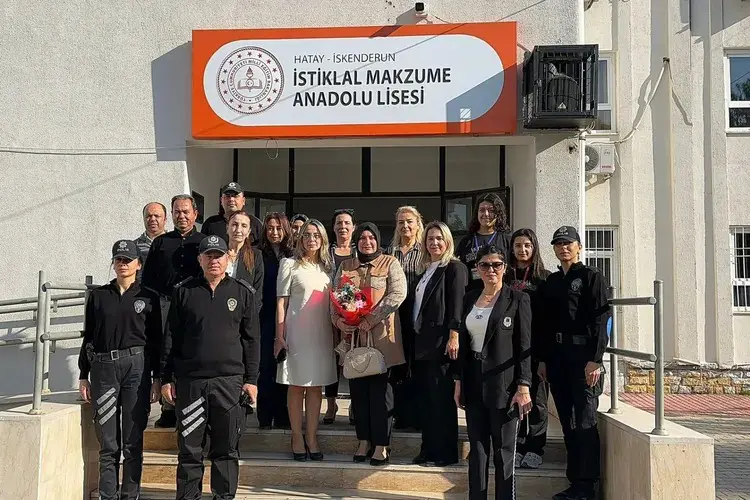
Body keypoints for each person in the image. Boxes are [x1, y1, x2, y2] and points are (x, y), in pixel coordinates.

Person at [160, 235, 260, 500]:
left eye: (219, 255)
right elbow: (171, 338)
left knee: (226, 449)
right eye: (208, 255)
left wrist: (251, 380)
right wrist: (166, 377)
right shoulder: (184, 292)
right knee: (190, 449)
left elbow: (251, 340)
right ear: (199, 259)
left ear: (228, 259)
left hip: (229, 383)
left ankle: (223, 496)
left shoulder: (242, 292)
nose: (214, 260)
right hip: (191, 383)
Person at [77, 240, 162, 500]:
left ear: (138, 264)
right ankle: (108, 495)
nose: (123, 264)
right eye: (118, 260)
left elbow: (156, 340)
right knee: (108, 442)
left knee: (132, 440)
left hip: (137, 368)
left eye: (128, 260)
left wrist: (157, 377)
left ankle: (130, 494)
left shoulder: (148, 297)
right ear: (113, 264)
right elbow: (89, 336)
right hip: (104, 369)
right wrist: (83, 374)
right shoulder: (99, 296)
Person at [454, 245, 532, 500]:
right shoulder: (469, 298)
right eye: (485, 265)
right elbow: (464, 344)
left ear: (505, 268)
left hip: (504, 384)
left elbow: (524, 346)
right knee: (477, 450)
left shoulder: (518, 299)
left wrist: (523, 385)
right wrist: (458, 381)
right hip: (474, 380)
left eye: (496, 265)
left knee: (504, 452)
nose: (491, 270)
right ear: (477, 269)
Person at [539, 226, 609, 500]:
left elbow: (602, 320)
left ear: (579, 246)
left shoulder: (591, 276)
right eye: (558, 244)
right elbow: (545, 324)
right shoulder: (553, 281)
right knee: (568, 423)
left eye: (568, 243)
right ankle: (575, 483)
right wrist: (543, 360)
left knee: (585, 422)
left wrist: (595, 360)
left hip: (583, 359)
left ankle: (587, 485)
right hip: (558, 359)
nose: (563, 247)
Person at [331, 223, 407, 466]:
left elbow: (398, 294)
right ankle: (363, 440)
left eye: (371, 237)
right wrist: (341, 321)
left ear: (378, 240)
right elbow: (335, 297)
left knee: (381, 394)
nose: (367, 242)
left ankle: (382, 445)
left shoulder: (390, 263)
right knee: (359, 394)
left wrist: (371, 319)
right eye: (362, 238)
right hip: (355, 339)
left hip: (382, 338)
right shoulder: (346, 266)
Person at [273, 218, 337, 461]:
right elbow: (282, 303)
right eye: (308, 234)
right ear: (300, 238)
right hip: (296, 332)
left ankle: (312, 436)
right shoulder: (289, 264)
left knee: (315, 386)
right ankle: (297, 436)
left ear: (323, 240)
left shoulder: (327, 268)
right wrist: (279, 337)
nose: (312, 239)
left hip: (321, 334)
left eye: (316, 235)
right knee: (296, 385)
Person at [142, 194, 205, 428]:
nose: (182, 216)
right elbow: (148, 279)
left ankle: (191, 405)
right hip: (166, 305)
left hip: (195, 306)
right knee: (166, 353)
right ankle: (168, 407)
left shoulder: (203, 241)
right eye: (177, 212)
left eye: (186, 211)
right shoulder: (160, 243)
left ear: (195, 214)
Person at [411, 221, 467, 466]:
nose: (434, 243)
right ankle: (428, 449)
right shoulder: (425, 271)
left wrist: (454, 335)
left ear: (447, 241)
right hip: (422, 343)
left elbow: (457, 304)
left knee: (442, 400)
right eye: (430, 239)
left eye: (438, 238)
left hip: (441, 343)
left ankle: (445, 453)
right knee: (426, 400)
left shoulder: (454, 268)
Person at [507, 228, 552, 470]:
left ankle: (535, 447)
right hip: (508, 348)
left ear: (534, 248)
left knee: (537, 400)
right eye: (517, 245)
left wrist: (544, 357)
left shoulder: (544, 279)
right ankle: (517, 445)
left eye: (527, 245)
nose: (522, 250)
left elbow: (548, 321)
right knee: (511, 398)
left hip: (536, 348)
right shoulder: (504, 274)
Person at [385, 206, 425, 431]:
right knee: (398, 365)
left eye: (409, 221)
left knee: (416, 365)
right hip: (395, 315)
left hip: (419, 314)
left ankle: (416, 415)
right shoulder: (389, 252)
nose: (405, 226)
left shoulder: (426, 250)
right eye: (401, 222)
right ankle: (399, 414)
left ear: (418, 223)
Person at [256, 213, 294, 430]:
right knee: (265, 366)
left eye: (279, 228)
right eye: (270, 228)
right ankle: (264, 416)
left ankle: (282, 415)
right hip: (264, 315)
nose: (274, 232)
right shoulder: (257, 253)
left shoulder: (293, 254)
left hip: (289, 316)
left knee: (285, 366)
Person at [324, 208, 357, 425]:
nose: (342, 227)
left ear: (353, 227)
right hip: (327, 312)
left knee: (353, 357)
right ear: (334, 227)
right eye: (339, 223)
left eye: (346, 223)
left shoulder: (359, 251)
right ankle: (331, 404)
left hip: (354, 313)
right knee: (331, 360)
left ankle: (354, 403)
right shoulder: (325, 252)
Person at [456, 193, 512, 292]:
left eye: (491, 211)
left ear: (498, 213)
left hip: (499, 294)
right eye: (482, 210)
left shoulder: (507, 240)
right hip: (472, 293)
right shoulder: (466, 242)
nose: (486, 214)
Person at [134, 202, 167, 281]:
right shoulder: (134, 247)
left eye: (157, 216)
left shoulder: (174, 243)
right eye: (148, 216)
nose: (152, 219)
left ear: (165, 220)